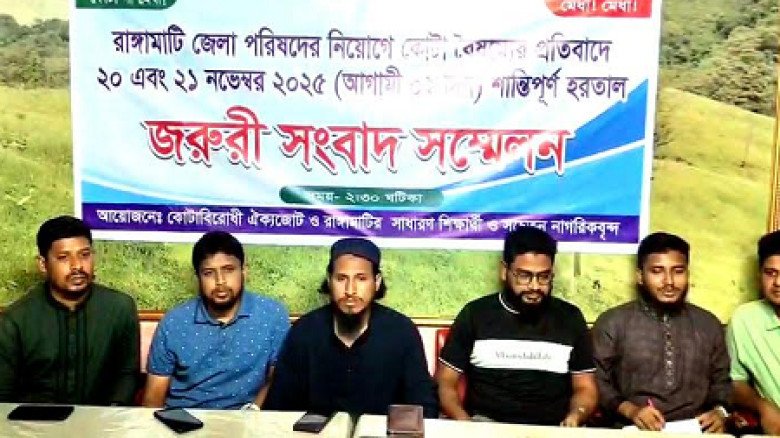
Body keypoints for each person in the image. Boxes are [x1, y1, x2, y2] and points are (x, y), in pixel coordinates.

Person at [436, 226, 598, 426]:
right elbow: (445, 382)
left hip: (552, 428)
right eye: (524, 276)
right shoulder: (475, 315)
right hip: (485, 426)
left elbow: (585, 388)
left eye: (544, 276)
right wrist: (465, 423)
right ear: (505, 271)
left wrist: (576, 416)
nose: (535, 286)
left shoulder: (570, 318)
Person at [266, 237, 437, 417]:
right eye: (341, 279)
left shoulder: (402, 332)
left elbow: (423, 407)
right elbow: (278, 408)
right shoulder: (305, 331)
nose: (350, 290)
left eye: (361, 279)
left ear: (376, 282)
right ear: (329, 280)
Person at [592, 232, 731, 433]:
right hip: (631, 429)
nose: (669, 281)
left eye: (678, 271)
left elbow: (722, 382)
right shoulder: (613, 322)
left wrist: (719, 412)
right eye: (657, 271)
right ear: (640, 276)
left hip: (696, 430)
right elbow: (598, 381)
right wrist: (632, 411)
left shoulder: (708, 324)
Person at [0, 215, 139, 405]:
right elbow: (4, 395)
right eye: (63, 258)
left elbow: (126, 375)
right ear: (43, 264)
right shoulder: (16, 320)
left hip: (102, 420)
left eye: (84, 255)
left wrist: (111, 415)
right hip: (35, 421)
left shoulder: (120, 308)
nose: (77, 266)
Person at [143, 231, 289, 409]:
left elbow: (277, 380)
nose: (220, 281)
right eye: (209, 273)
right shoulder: (174, 323)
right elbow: (153, 398)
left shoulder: (272, 315)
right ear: (197, 277)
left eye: (229, 270)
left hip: (248, 418)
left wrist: (254, 412)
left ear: (244, 271)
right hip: (185, 418)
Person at [727, 230, 780, 435]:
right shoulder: (745, 319)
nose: (778, 282)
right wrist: (762, 406)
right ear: (760, 275)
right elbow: (735, 382)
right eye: (770, 273)